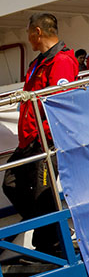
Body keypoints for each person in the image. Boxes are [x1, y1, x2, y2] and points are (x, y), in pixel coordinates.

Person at [3, 13, 78, 255]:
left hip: (45, 139)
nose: (28, 38)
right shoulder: (39, 63)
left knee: (43, 193)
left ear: (37, 32)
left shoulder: (61, 61)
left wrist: (44, 134)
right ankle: (53, 232)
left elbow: (60, 102)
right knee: (11, 183)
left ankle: (52, 245)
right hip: (30, 139)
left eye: (28, 33)